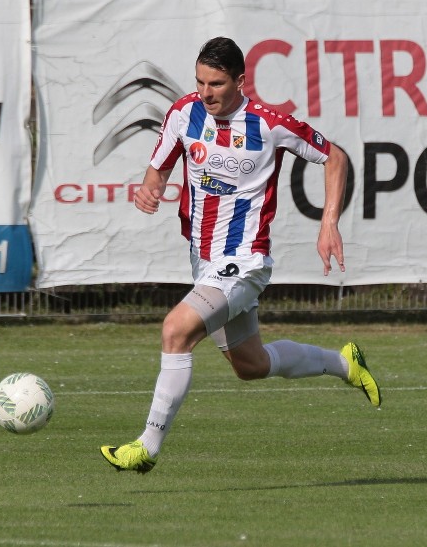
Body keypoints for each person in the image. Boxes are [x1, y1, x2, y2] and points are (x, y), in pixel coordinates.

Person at [101, 37, 381, 474]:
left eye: (216, 83)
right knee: (251, 365)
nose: (206, 93)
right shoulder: (183, 112)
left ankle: (146, 447)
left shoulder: (269, 124)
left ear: (240, 81)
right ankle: (343, 363)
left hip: (243, 261)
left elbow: (335, 157)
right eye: (200, 82)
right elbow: (159, 169)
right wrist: (149, 189)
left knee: (176, 331)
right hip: (204, 261)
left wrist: (329, 222)